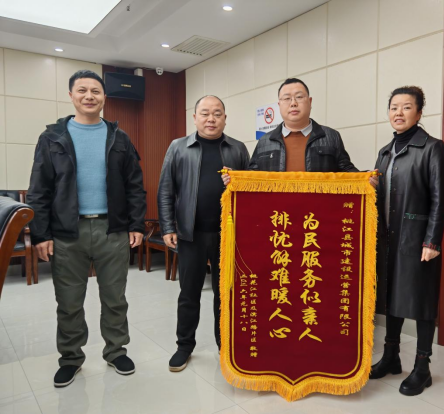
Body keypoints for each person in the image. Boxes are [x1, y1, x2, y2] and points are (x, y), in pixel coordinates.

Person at [26, 69, 146, 388]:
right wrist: (41, 234)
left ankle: (116, 351)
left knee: (115, 297)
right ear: (71, 96)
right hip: (67, 232)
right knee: (68, 301)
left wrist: (136, 223)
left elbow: (134, 185)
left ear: (104, 97)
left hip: (112, 230)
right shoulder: (52, 138)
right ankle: (70, 358)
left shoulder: (119, 138)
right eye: (82, 90)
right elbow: (39, 189)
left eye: (95, 91)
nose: (89, 96)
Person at [158, 95, 250, 372]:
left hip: (229, 235)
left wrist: (238, 182)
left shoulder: (237, 149)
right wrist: (168, 227)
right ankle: (184, 346)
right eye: (205, 113)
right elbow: (166, 190)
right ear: (195, 117)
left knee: (226, 294)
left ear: (225, 118)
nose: (211, 119)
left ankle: (226, 345)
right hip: (191, 234)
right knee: (189, 293)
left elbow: (252, 190)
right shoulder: (178, 147)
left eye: (217, 114)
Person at [369, 86, 444, 396]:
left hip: (418, 241)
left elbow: (439, 199)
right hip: (388, 240)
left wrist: (432, 241)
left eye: (406, 107)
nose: (398, 113)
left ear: (419, 112)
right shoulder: (385, 152)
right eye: (394, 107)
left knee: (422, 302)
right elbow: (380, 198)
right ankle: (391, 356)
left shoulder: (432, 148)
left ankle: (422, 367)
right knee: (392, 297)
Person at [222, 78, 357, 184]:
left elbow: (346, 171)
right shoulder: (265, 141)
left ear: (310, 102)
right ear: (279, 105)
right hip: (278, 210)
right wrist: (235, 176)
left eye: (299, 97)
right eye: (287, 98)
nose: (293, 103)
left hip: (318, 209)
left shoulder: (330, 136)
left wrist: (365, 177)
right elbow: (253, 175)